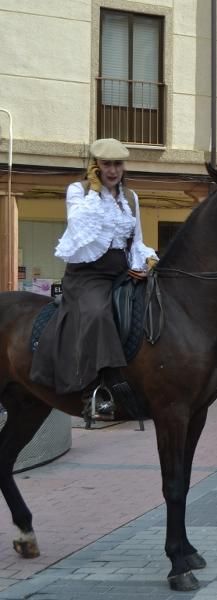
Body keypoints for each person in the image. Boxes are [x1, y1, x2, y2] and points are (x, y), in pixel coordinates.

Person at [30, 138, 158, 415]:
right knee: (98, 314)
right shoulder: (79, 191)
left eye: (118, 164)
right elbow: (79, 225)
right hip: (87, 275)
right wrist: (95, 192)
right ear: (95, 166)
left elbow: (136, 240)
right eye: (107, 164)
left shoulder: (131, 198)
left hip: (123, 270)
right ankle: (96, 388)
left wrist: (145, 261)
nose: (113, 170)